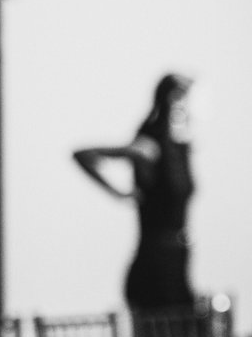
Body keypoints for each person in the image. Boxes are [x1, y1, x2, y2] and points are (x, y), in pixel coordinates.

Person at [74, 73, 196, 310]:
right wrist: (118, 193)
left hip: (179, 262)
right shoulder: (150, 146)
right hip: (156, 268)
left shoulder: (179, 150)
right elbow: (83, 155)